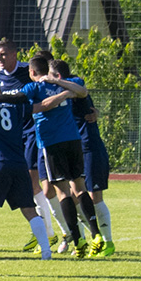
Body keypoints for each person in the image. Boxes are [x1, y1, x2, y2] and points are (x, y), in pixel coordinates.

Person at [0, 56, 101, 258]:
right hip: (73, 141)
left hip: (51, 143)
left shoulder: (34, 88)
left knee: (63, 193)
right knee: (80, 188)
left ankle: (79, 242)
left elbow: (18, 99)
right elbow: (82, 91)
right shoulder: (71, 83)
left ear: (31, 72)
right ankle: (96, 234)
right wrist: (62, 89)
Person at [0, 81, 76, 260]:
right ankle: (46, 251)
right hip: (19, 164)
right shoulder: (15, 107)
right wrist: (64, 94)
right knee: (29, 209)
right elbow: (43, 105)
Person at [0, 39, 58, 252]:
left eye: (3, 54)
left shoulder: (27, 71)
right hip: (14, 134)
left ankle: (50, 232)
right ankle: (46, 230)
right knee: (29, 184)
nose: (0, 58)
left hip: (33, 132)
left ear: (14, 55)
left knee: (34, 183)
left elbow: (48, 84)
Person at [49, 60, 115, 257]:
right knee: (74, 196)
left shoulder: (75, 83)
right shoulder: (59, 91)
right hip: (75, 147)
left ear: (58, 76)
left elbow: (82, 91)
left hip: (90, 147)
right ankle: (90, 239)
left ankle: (107, 243)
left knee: (94, 196)